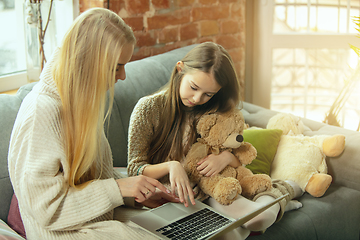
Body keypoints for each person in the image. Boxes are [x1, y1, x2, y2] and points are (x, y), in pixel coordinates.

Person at [8, 8, 178, 240]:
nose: (123, 76)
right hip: (62, 232)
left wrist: (136, 192)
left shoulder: (82, 101)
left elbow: (95, 181)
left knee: (180, 224)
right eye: (116, 67)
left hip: (97, 218)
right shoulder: (42, 112)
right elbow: (47, 210)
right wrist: (119, 189)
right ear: (88, 63)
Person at [127, 42, 303, 238]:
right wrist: (171, 166)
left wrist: (226, 157)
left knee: (257, 220)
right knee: (231, 234)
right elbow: (134, 168)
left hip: (209, 188)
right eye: (193, 87)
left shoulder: (214, 109)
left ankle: (282, 190)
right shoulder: (148, 109)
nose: (197, 98)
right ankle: (278, 199)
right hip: (171, 197)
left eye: (208, 94)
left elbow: (238, 153)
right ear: (180, 69)